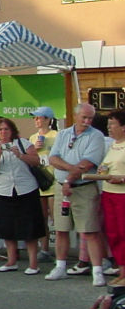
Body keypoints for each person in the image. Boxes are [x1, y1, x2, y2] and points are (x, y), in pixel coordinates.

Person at [47, 103, 109, 286]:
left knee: (90, 230)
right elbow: (53, 158)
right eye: (84, 117)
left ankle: (97, 270)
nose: (88, 121)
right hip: (61, 187)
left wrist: (69, 179)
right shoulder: (64, 134)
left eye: (90, 118)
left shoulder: (96, 136)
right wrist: (68, 172)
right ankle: (60, 266)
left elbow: (87, 163)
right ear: (75, 116)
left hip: (84, 187)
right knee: (61, 229)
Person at [0, 117, 45, 274]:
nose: (3, 133)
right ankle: (11, 261)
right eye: (0, 130)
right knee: (7, 228)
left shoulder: (23, 143)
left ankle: (33, 264)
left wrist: (20, 155)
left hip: (26, 189)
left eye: (6, 129)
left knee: (30, 228)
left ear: (12, 131)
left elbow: (36, 161)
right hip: (4, 191)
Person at [97, 109, 125, 286]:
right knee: (113, 234)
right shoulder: (111, 145)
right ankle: (122, 270)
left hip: (123, 195)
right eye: (108, 125)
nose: (109, 128)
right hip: (108, 193)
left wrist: (122, 178)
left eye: (113, 124)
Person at [30, 106, 59, 261]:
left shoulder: (57, 135)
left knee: (56, 218)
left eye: (39, 117)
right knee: (42, 218)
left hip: (53, 181)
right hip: (39, 181)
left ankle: (60, 252)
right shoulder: (32, 138)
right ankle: (45, 249)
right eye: (35, 118)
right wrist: (34, 149)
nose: (36, 120)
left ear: (48, 119)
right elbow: (30, 157)